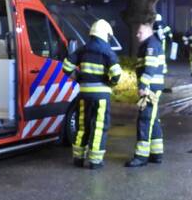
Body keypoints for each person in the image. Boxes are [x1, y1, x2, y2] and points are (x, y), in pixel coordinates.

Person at [62, 20, 122, 169]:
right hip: (101, 95)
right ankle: (95, 161)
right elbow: (116, 74)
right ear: (105, 34)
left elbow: (66, 67)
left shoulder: (83, 49)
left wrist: (78, 78)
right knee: (99, 126)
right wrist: (110, 83)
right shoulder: (107, 51)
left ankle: (78, 158)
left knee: (82, 126)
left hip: (84, 95)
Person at [126, 21, 165, 168]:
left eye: (140, 32)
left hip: (150, 88)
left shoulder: (150, 46)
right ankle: (156, 154)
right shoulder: (150, 44)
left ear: (148, 32)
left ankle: (141, 157)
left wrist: (143, 85)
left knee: (145, 119)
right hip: (153, 87)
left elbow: (149, 68)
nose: (137, 35)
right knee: (152, 120)